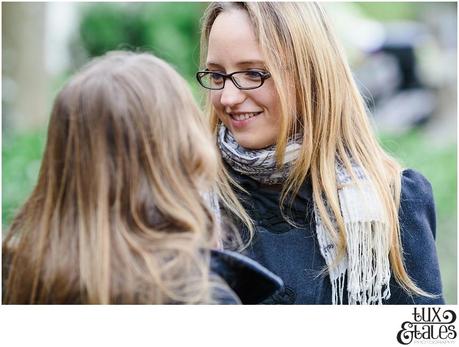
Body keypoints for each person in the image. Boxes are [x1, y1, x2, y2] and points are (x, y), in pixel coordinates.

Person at [196, 2, 444, 304]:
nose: (228, 97)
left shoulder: (393, 202)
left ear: (311, 75)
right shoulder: (190, 200)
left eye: (253, 73)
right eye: (217, 76)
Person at [2, 51, 282, 304]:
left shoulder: (18, 280)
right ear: (186, 153)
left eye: (253, 73)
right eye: (217, 76)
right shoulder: (197, 296)